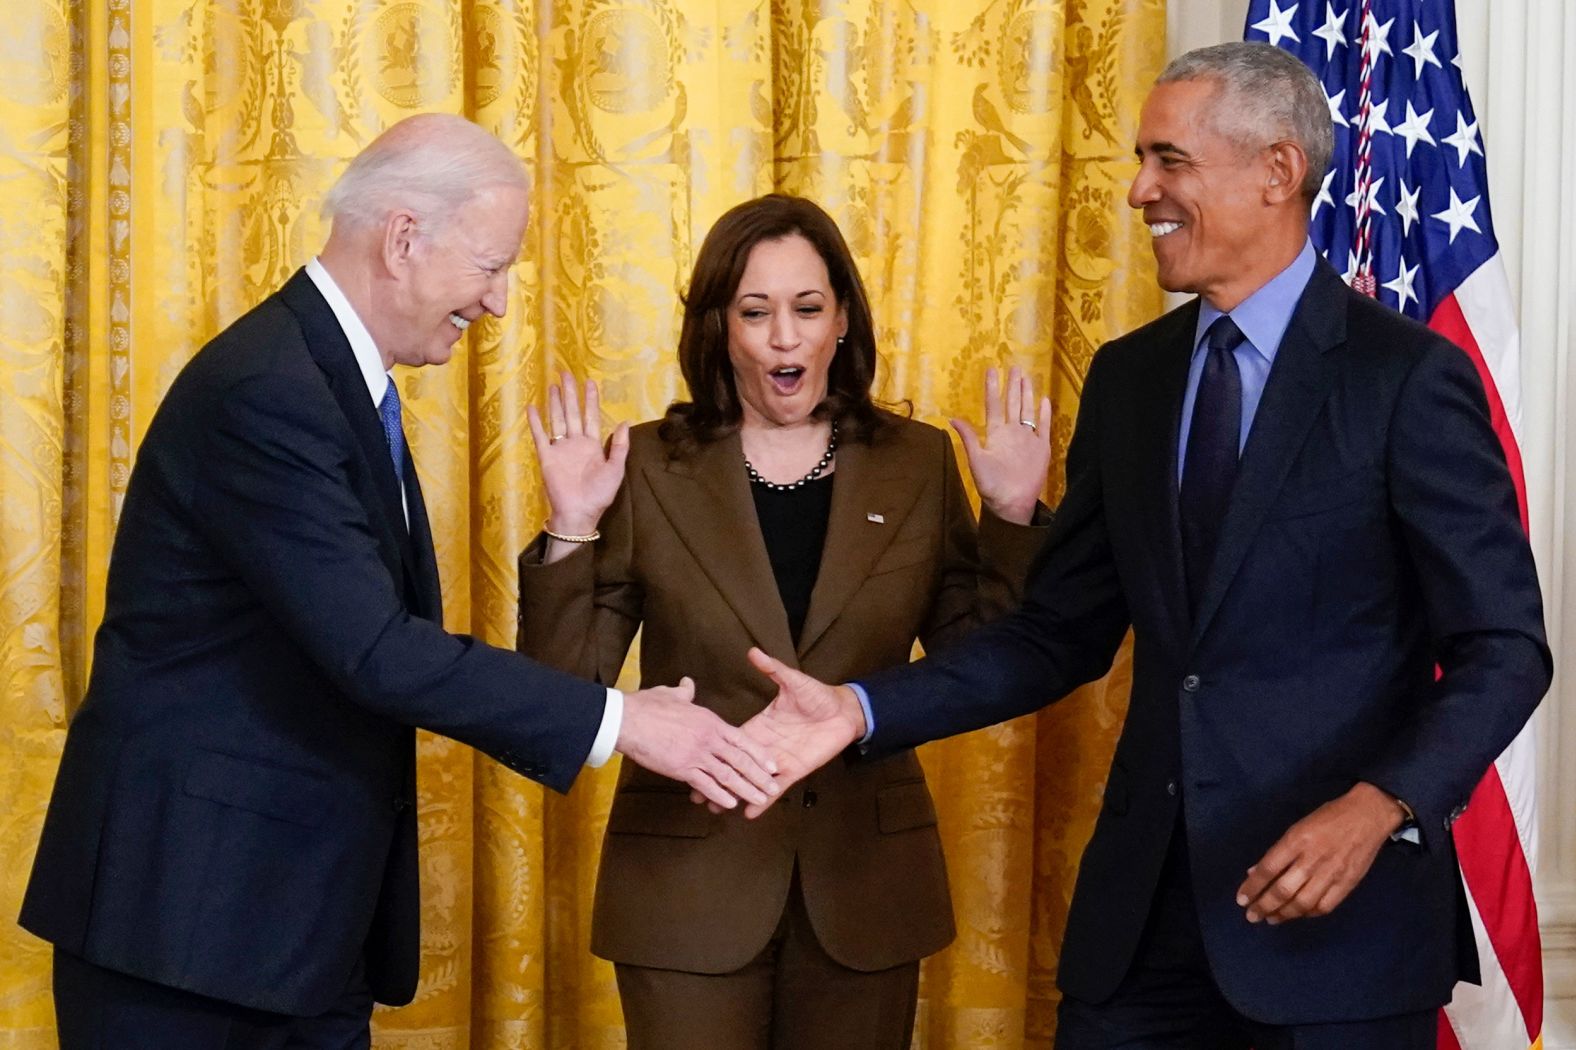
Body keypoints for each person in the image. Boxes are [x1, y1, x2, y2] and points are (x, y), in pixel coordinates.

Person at [733, 43, 1551, 1050]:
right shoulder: (1131, 380)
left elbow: (1503, 648)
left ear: (1276, 172)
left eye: (1168, 162)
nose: (1137, 192)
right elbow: (1055, 633)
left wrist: (1381, 805)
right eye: (1137, 160)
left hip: (1339, 933)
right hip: (1140, 934)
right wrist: (860, 709)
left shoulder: (1403, 380)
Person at [18, 113, 779, 1050]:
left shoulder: (332, 378)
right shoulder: (271, 390)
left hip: (292, 928)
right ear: (405, 238)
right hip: (188, 930)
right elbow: (375, 650)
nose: (498, 303)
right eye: (492, 266)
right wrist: (627, 722)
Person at [514, 193, 1052, 1050]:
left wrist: (1013, 515)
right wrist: (573, 523)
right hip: (686, 885)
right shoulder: (648, 463)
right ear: (720, 327)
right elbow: (561, 692)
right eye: (755, 312)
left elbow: (980, 667)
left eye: (807, 309)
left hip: (867, 887)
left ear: (843, 318)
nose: (784, 338)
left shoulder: (915, 463)